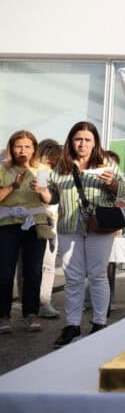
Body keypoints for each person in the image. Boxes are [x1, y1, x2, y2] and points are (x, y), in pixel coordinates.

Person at [49, 121, 125, 347]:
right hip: (69, 227)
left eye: (87, 140)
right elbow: (53, 197)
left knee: (97, 274)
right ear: (71, 141)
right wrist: (42, 193)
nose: (82, 144)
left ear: (95, 143)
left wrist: (113, 183)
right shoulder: (61, 167)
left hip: (99, 225)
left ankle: (99, 323)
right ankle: (72, 326)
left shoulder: (106, 164)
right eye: (78, 139)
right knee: (73, 278)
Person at [0, 131, 53, 334]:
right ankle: (3, 315)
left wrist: (41, 191)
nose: (23, 150)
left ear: (34, 149)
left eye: (27, 146)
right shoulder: (3, 168)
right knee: (4, 272)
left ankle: (31, 314)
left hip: (35, 224)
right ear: (11, 148)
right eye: (18, 146)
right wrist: (13, 186)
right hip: (7, 224)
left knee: (33, 272)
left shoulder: (42, 169)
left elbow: (48, 198)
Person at [36, 139, 62, 319]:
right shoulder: (41, 172)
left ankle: (43, 302)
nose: (51, 162)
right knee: (39, 265)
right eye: (49, 158)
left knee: (48, 264)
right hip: (40, 220)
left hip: (52, 221)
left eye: (55, 159)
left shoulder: (57, 173)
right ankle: (38, 303)